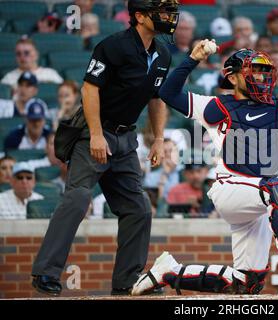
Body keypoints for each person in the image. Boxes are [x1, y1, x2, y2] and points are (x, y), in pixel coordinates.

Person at [131, 41, 278, 296]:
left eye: (264, 72)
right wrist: (193, 58)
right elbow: (168, 93)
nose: (260, 77)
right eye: (253, 71)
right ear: (233, 77)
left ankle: (168, 273)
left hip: (260, 199)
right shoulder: (218, 105)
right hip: (231, 188)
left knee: (247, 283)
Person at [31, 0, 180, 297]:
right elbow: (89, 88)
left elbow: (156, 98)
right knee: (78, 197)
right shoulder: (113, 45)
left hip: (126, 140)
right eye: (161, 11)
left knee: (138, 208)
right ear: (139, 16)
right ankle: (45, 273)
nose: (169, 17)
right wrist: (97, 135)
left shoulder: (162, 52)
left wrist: (160, 138)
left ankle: (127, 281)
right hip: (94, 134)